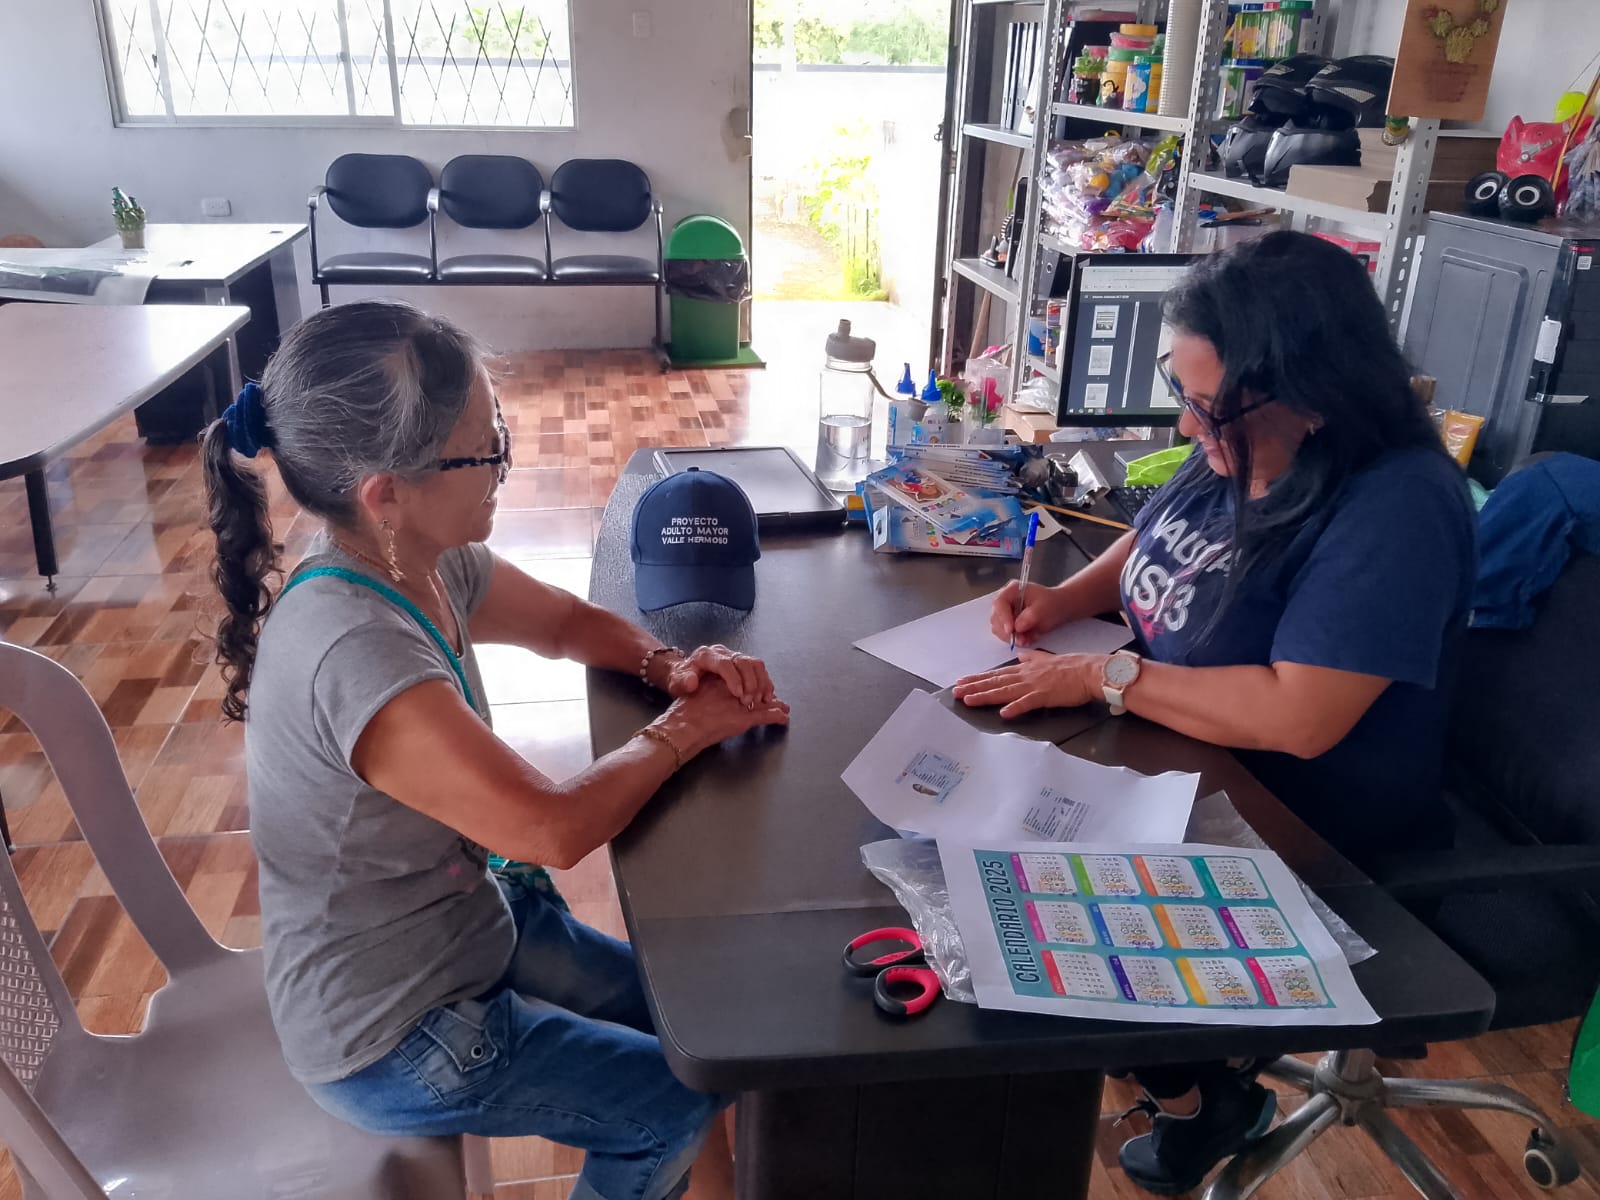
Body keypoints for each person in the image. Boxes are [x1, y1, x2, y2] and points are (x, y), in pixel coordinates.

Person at [203, 300, 789, 1200]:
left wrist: (668, 666)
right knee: (665, 1106)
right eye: (483, 452)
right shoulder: (352, 645)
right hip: (390, 1026)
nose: (503, 465)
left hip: (463, 928)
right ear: (386, 492)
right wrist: (685, 729)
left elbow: (561, 623)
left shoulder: (409, 551)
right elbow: (548, 829)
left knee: (698, 1032)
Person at [952, 231, 1477, 1196]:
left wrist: (1105, 677)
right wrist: (1067, 602)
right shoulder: (1235, 445)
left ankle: (1202, 1097)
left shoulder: (1395, 507)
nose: (1188, 425)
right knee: (975, 836)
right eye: (1181, 393)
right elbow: (1158, 538)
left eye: (1204, 406)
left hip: (1316, 831)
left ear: (1308, 394)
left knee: (1049, 919)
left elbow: (1299, 716)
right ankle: (1187, 1075)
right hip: (1182, 763)